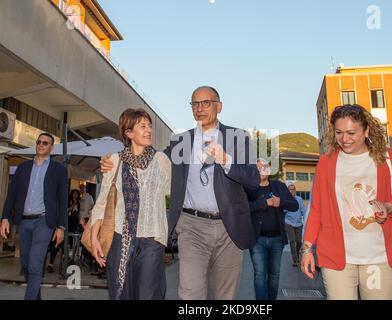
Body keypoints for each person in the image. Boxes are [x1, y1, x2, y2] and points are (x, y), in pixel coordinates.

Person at [101, 86, 260, 300]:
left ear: (219, 106)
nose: (200, 108)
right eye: (195, 103)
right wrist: (116, 160)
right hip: (191, 226)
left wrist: (226, 160)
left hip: (228, 227)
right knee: (190, 294)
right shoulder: (182, 141)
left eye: (206, 102)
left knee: (225, 296)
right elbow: (151, 160)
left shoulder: (237, 138)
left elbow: (253, 179)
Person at [301, 104, 392, 300]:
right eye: (339, 132)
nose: (345, 139)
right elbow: (317, 210)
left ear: (366, 130)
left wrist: (388, 207)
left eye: (351, 133)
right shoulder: (326, 163)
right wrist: (307, 248)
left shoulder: (388, 159)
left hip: (379, 257)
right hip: (336, 258)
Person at [91, 108, 171, 300]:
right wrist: (94, 238)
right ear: (128, 132)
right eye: (142, 126)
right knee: (122, 294)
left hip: (152, 239)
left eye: (150, 126)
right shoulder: (114, 161)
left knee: (148, 295)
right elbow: (102, 202)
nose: (149, 130)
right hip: (120, 238)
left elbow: (175, 191)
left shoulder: (161, 161)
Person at [0, 133, 68, 300]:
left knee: (35, 264)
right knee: (25, 264)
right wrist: (5, 218)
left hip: (44, 222)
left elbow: (63, 199)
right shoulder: (23, 167)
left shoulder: (59, 170)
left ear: (51, 147)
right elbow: (12, 195)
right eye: (39, 142)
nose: (41, 145)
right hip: (23, 222)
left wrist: (61, 227)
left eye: (45, 143)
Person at [244, 158, 298, 300]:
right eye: (258, 167)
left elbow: (295, 205)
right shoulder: (249, 189)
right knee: (260, 274)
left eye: (265, 166)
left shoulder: (279, 186)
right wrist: (264, 203)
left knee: (274, 275)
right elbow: (244, 208)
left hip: (277, 239)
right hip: (257, 239)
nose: (262, 169)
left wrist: (281, 202)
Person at [47, 189, 81, 273]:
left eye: (77, 194)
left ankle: (64, 262)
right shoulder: (67, 201)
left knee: (67, 245)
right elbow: (64, 212)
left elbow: (77, 214)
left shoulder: (79, 204)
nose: (75, 195)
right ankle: (50, 264)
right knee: (56, 244)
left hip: (72, 226)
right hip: (63, 225)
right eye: (74, 193)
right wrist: (72, 206)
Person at [284, 184, 306, 267]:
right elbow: (283, 210)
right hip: (289, 223)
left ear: (295, 190)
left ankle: (298, 256)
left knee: (299, 242)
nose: (291, 191)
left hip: (298, 223)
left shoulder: (299, 199)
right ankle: (295, 260)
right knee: (292, 241)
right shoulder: (286, 200)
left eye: (293, 189)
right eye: (289, 189)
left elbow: (303, 210)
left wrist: (306, 222)